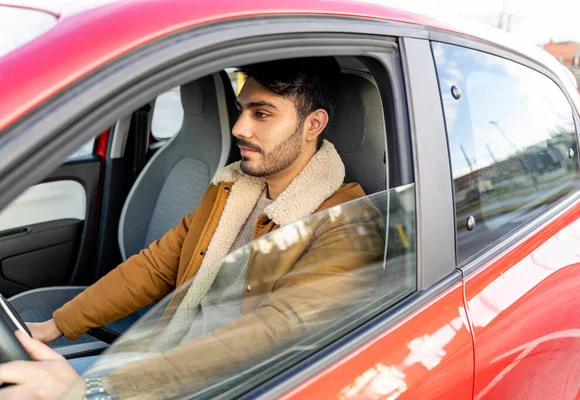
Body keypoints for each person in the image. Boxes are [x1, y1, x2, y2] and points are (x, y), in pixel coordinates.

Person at [0, 57, 383, 399]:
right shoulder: (231, 188)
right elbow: (155, 266)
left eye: (261, 114)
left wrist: (96, 390)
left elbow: (273, 336)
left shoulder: (345, 221)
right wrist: (55, 326)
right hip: (166, 359)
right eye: (241, 110)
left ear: (313, 124)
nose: (239, 128)